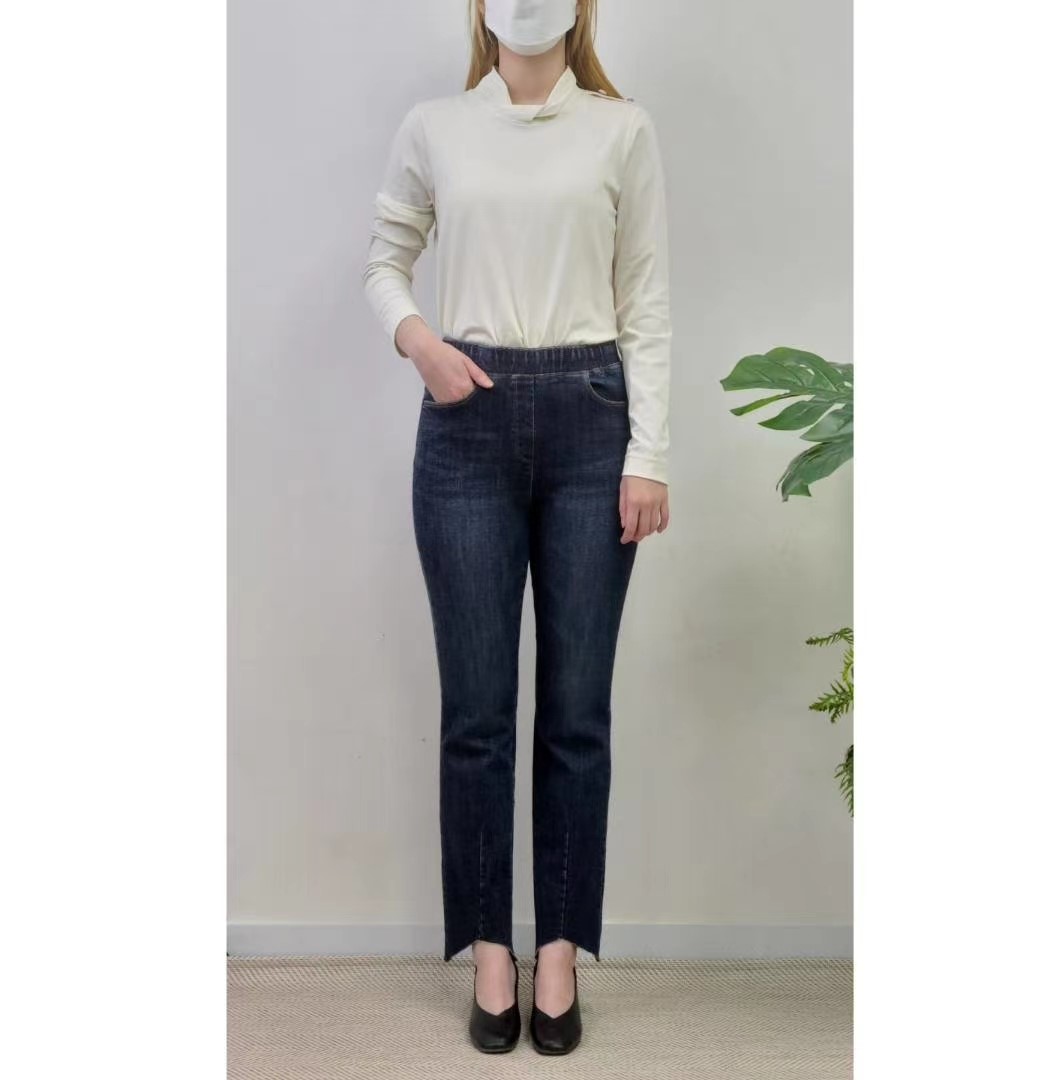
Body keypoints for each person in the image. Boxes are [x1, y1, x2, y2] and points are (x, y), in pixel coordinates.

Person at [362, 0, 671, 1056]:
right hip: (466, 427)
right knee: (478, 714)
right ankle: (492, 950)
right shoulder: (437, 128)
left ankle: (560, 954)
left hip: (593, 426)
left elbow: (646, 300)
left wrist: (649, 453)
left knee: (577, 713)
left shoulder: (621, 130)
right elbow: (384, 259)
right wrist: (421, 342)